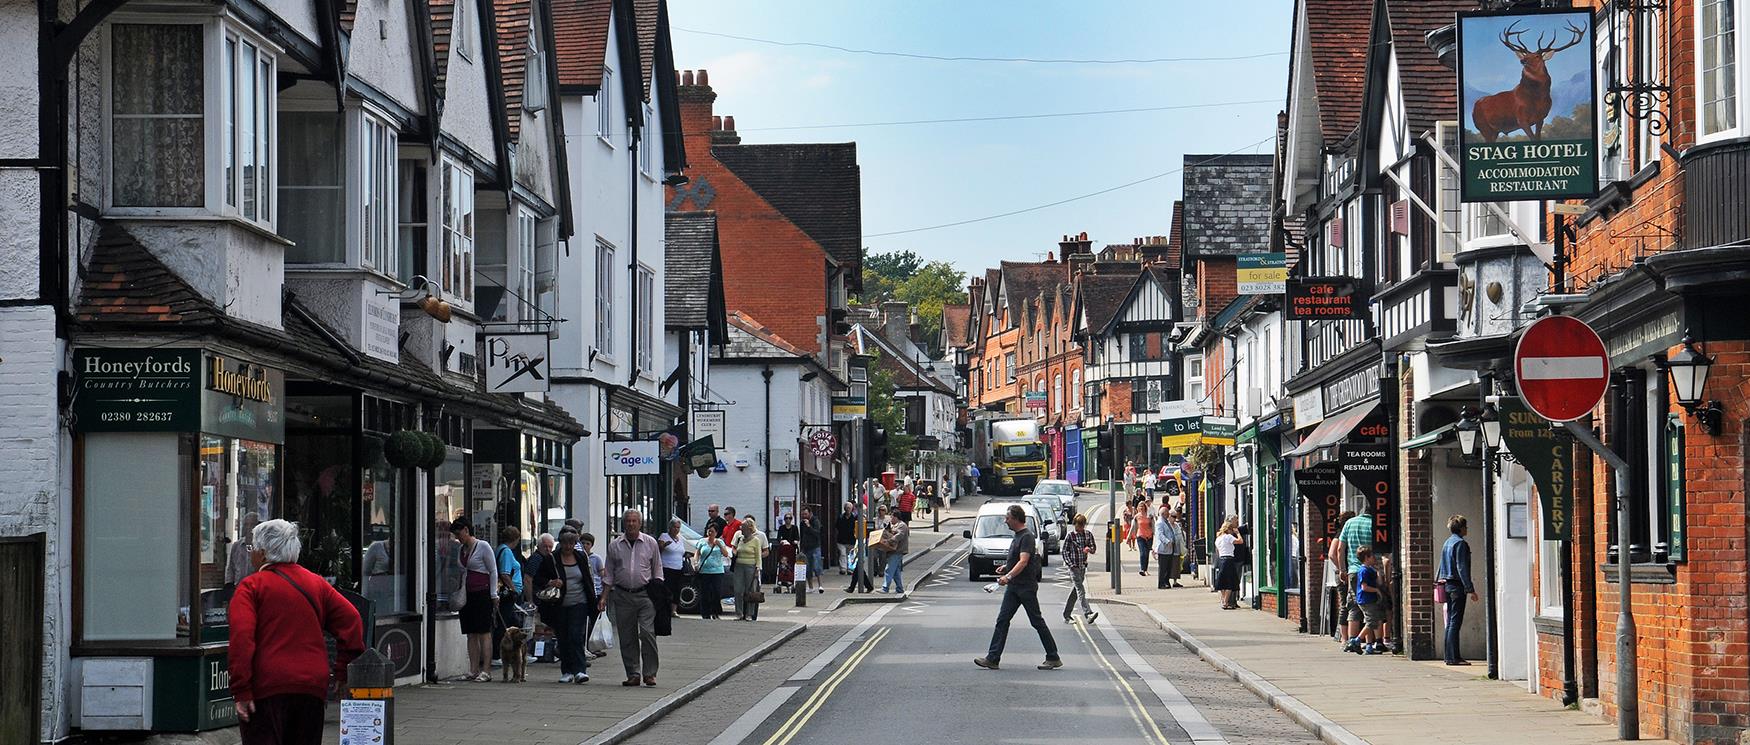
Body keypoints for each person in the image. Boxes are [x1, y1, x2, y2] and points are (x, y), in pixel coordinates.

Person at [228, 519, 364, 745]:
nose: (250, 553)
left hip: (266, 689)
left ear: (263, 553)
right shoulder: (317, 584)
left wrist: (241, 689)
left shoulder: (251, 587)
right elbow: (352, 620)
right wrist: (342, 672)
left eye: (252, 548)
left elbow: (242, 639)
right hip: (311, 687)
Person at [974, 504, 1062, 671]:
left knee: (1037, 621)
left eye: (1007, 518)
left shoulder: (1026, 536)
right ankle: (992, 658)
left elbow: (1024, 561)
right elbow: (1017, 561)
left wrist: (1007, 576)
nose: (1005, 521)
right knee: (1002, 620)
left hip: (1025, 587)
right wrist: (1006, 568)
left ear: (1015, 519)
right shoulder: (1017, 536)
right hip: (1014, 588)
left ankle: (1053, 656)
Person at [601, 510, 664, 687]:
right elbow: (609, 573)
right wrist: (604, 597)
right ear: (624, 523)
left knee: (647, 632)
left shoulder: (650, 543)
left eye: (634, 521)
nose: (631, 524)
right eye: (628, 521)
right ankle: (633, 673)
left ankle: (650, 673)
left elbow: (657, 569)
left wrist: (658, 593)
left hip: (645, 595)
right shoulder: (615, 545)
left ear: (640, 523)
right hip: (622, 595)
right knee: (626, 636)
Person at [534, 528, 592, 683]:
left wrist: (596, 599)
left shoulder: (580, 557)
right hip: (558, 604)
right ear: (561, 543)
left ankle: (580, 670)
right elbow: (537, 578)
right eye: (565, 543)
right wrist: (551, 582)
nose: (568, 547)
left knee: (575, 635)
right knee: (563, 637)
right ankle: (567, 671)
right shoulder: (551, 559)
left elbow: (588, 578)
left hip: (579, 602)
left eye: (572, 543)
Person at [450, 517, 499, 681]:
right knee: (471, 633)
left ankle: (486, 670)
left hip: (482, 593)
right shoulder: (460, 549)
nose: (458, 538)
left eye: (459, 533)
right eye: (455, 535)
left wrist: (493, 594)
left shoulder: (483, 546)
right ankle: (473, 669)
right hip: (467, 595)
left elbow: (493, 571)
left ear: (466, 530)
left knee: (484, 632)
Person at [1438, 514, 1479, 666]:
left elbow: (1441, 565)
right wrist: (1470, 589)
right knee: (1455, 622)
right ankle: (1453, 657)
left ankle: (1450, 655)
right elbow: (1462, 568)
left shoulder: (1447, 542)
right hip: (1457, 585)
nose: (1467, 529)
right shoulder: (1461, 544)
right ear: (1461, 528)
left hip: (1448, 584)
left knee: (1450, 622)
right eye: (1466, 527)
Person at [1331, 510, 1374, 652]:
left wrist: (1342, 570)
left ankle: (1351, 641)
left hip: (1353, 571)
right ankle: (1372, 642)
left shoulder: (1349, 524)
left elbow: (1339, 550)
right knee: (1372, 606)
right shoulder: (1374, 523)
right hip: (1371, 570)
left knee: (1353, 607)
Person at [493, 526, 526, 666]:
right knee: (505, 625)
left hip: (507, 594)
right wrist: (513, 589)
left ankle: (518, 652)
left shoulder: (501, 549)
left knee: (514, 623)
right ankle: (498, 655)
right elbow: (505, 573)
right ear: (516, 539)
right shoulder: (506, 551)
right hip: (508, 594)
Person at [1060, 513, 1098, 623]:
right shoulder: (1070, 536)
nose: (1080, 527)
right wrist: (1070, 564)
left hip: (1082, 566)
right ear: (1075, 524)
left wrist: (1089, 549)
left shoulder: (1088, 535)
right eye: (1078, 525)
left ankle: (1066, 615)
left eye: (1082, 525)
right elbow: (1065, 552)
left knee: (1075, 591)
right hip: (1074, 567)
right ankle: (1088, 613)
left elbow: (1093, 548)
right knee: (1081, 590)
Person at [730, 517, 768, 620]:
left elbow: (758, 556)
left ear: (749, 529)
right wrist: (734, 552)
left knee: (750, 591)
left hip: (751, 567)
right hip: (739, 566)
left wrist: (757, 569)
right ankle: (739, 613)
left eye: (743, 527)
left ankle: (749, 614)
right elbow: (734, 548)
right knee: (738, 590)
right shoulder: (739, 538)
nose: (741, 529)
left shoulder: (756, 540)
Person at [1353, 547, 1387, 655]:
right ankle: (1356, 640)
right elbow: (1364, 587)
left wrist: (1378, 572)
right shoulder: (1363, 570)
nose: (1374, 558)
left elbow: (1379, 582)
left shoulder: (1371, 570)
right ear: (1366, 558)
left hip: (1371, 599)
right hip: (1366, 600)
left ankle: (1369, 646)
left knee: (1371, 621)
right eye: (1372, 556)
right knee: (1372, 622)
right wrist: (1376, 590)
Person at [580, 533, 608, 658]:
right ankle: (584, 646)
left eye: (588, 543)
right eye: (583, 543)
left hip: (596, 591)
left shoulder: (596, 558)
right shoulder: (579, 557)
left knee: (594, 620)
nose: (585, 545)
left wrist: (604, 593)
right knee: (584, 622)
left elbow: (602, 575)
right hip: (584, 592)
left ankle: (592, 646)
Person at [657, 518, 692, 616]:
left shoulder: (680, 539)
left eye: (678, 527)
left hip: (678, 568)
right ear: (670, 527)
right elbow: (658, 549)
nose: (676, 529)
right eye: (674, 527)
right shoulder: (664, 536)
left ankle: (673, 610)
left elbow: (681, 552)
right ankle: (664, 609)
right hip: (667, 568)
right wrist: (664, 546)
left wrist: (688, 555)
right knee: (667, 589)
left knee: (677, 589)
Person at [695, 525, 730, 619]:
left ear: (716, 533)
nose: (710, 533)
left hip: (717, 571)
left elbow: (726, 554)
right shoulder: (702, 541)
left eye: (712, 531)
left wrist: (719, 544)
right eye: (709, 531)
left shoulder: (720, 542)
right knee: (705, 593)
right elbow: (697, 553)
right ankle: (705, 614)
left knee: (716, 593)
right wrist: (696, 563)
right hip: (704, 571)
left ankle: (715, 612)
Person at [1213, 516, 1243, 609]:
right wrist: (1238, 533)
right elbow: (1240, 541)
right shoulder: (1228, 537)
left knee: (1222, 582)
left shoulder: (1218, 539)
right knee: (1230, 582)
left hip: (1221, 560)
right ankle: (1226, 602)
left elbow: (1218, 551)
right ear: (1229, 530)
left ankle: (1223, 600)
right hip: (1229, 560)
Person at [1154, 506, 1185, 589]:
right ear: (1163, 513)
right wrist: (1167, 541)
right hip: (1164, 548)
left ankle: (1166, 582)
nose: (1169, 514)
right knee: (1163, 567)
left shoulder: (1166, 522)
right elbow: (1160, 534)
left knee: (1168, 567)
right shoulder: (1160, 523)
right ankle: (1161, 584)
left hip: (1170, 549)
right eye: (1167, 513)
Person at [881, 513, 910, 593]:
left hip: (898, 551)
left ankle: (885, 588)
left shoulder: (902, 525)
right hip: (894, 550)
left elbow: (899, 535)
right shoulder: (895, 525)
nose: (890, 519)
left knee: (889, 569)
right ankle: (899, 588)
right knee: (895, 571)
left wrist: (888, 540)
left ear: (896, 517)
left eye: (892, 517)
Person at [798, 507, 824, 593]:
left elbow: (817, 533)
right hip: (806, 547)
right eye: (803, 514)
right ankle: (810, 587)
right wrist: (801, 548)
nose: (804, 516)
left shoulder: (815, 521)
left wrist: (809, 526)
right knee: (808, 567)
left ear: (810, 513)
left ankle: (820, 586)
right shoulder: (802, 523)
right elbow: (802, 536)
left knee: (817, 566)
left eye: (805, 514)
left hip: (815, 546)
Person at [1133, 500, 1154, 576]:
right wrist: (1129, 537)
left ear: (1145, 507)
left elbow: (1153, 525)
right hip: (1140, 536)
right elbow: (1133, 527)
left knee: (1147, 553)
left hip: (1149, 536)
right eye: (1140, 506)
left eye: (1143, 506)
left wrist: (1154, 534)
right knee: (1143, 553)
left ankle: (1145, 569)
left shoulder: (1149, 515)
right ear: (1138, 508)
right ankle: (1142, 569)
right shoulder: (1137, 516)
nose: (1141, 508)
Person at [834, 502, 857, 574]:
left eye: (849, 508)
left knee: (851, 555)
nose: (848, 509)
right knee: (842, 554)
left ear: (852, 509)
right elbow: (837, 526)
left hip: (851, 540)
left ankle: (850, 569)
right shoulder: (840, 517)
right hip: (841, 540)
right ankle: (843, 568)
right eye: (847, 508)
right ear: (844, 509)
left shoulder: (855, 518)